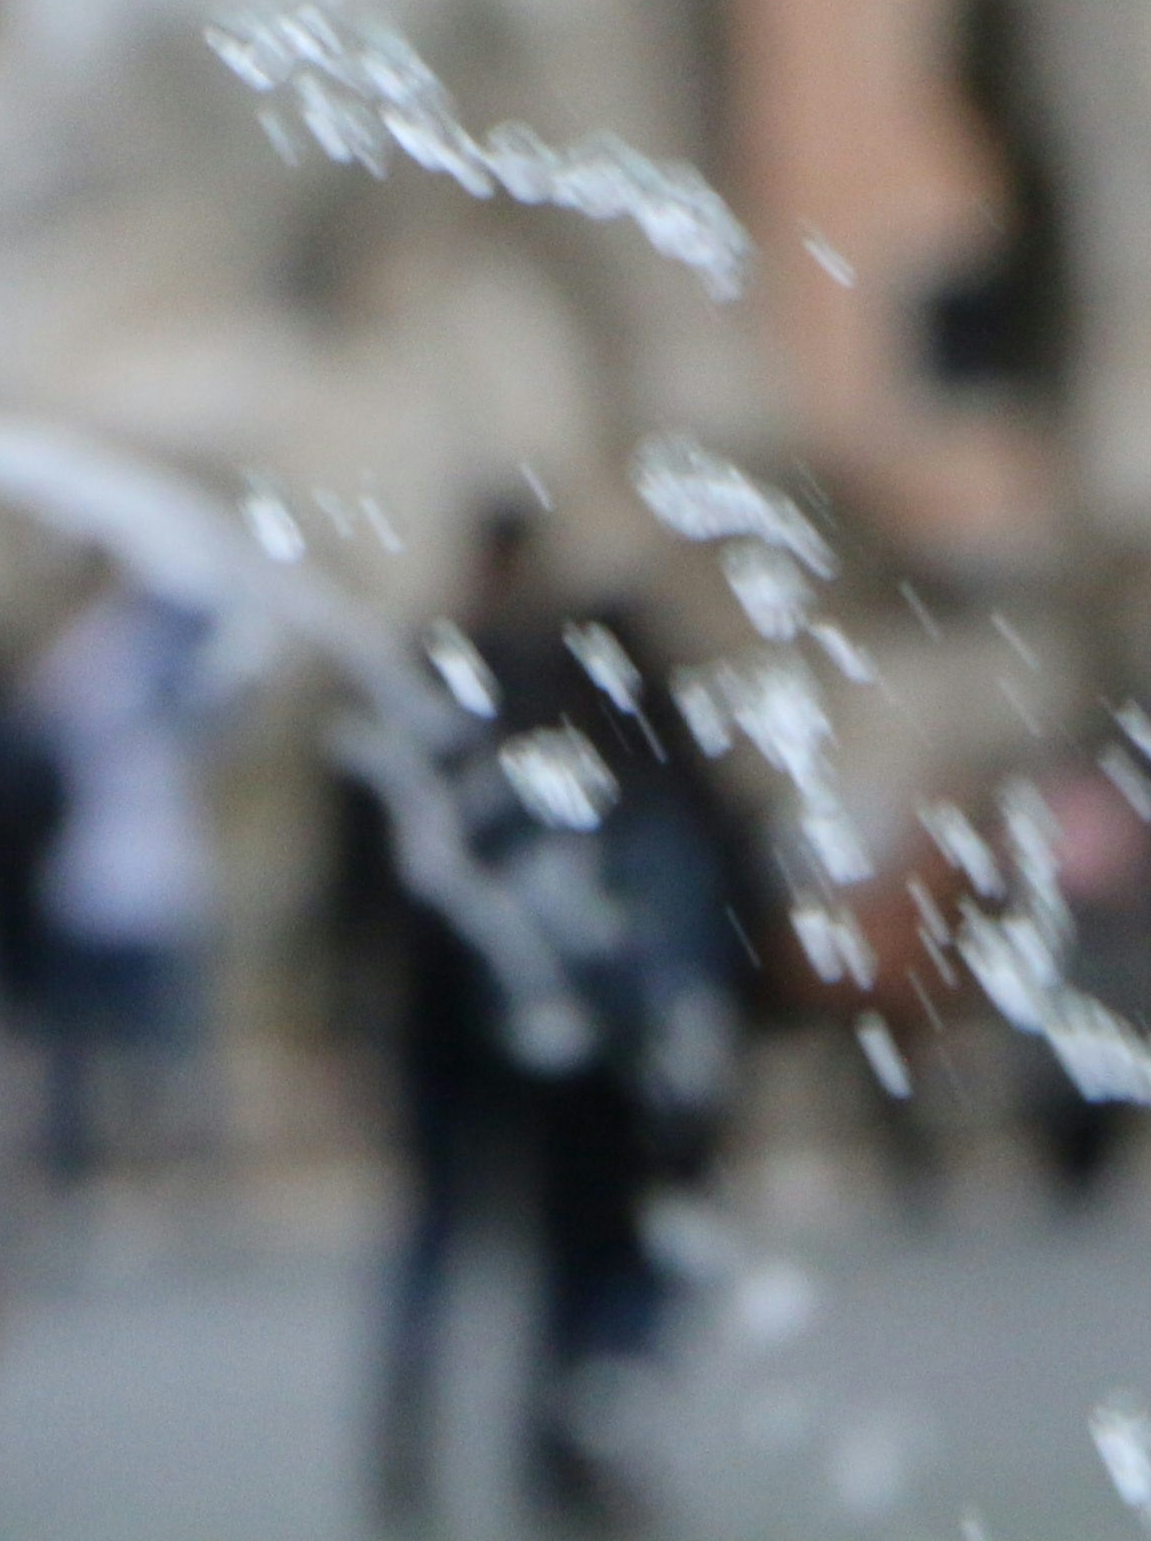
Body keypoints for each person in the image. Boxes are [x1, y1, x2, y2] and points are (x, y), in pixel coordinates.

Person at [370, 508, 752, 1537]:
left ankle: (445, 1425)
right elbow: (744, 897)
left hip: (495, 1042)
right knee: (614, 1251)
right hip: (630, 1063)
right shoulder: (663, 765)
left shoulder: (481, 719)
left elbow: (405, 870)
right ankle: (588, 1419)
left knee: (478, 1239)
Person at [22, 576, 231, 1183]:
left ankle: (164, 1161)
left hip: (147, 877)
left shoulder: (167, 659)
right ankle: (97, 1164)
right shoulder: (101, 651)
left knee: (156, 1045)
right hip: (99, 875)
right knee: (94, 1050)